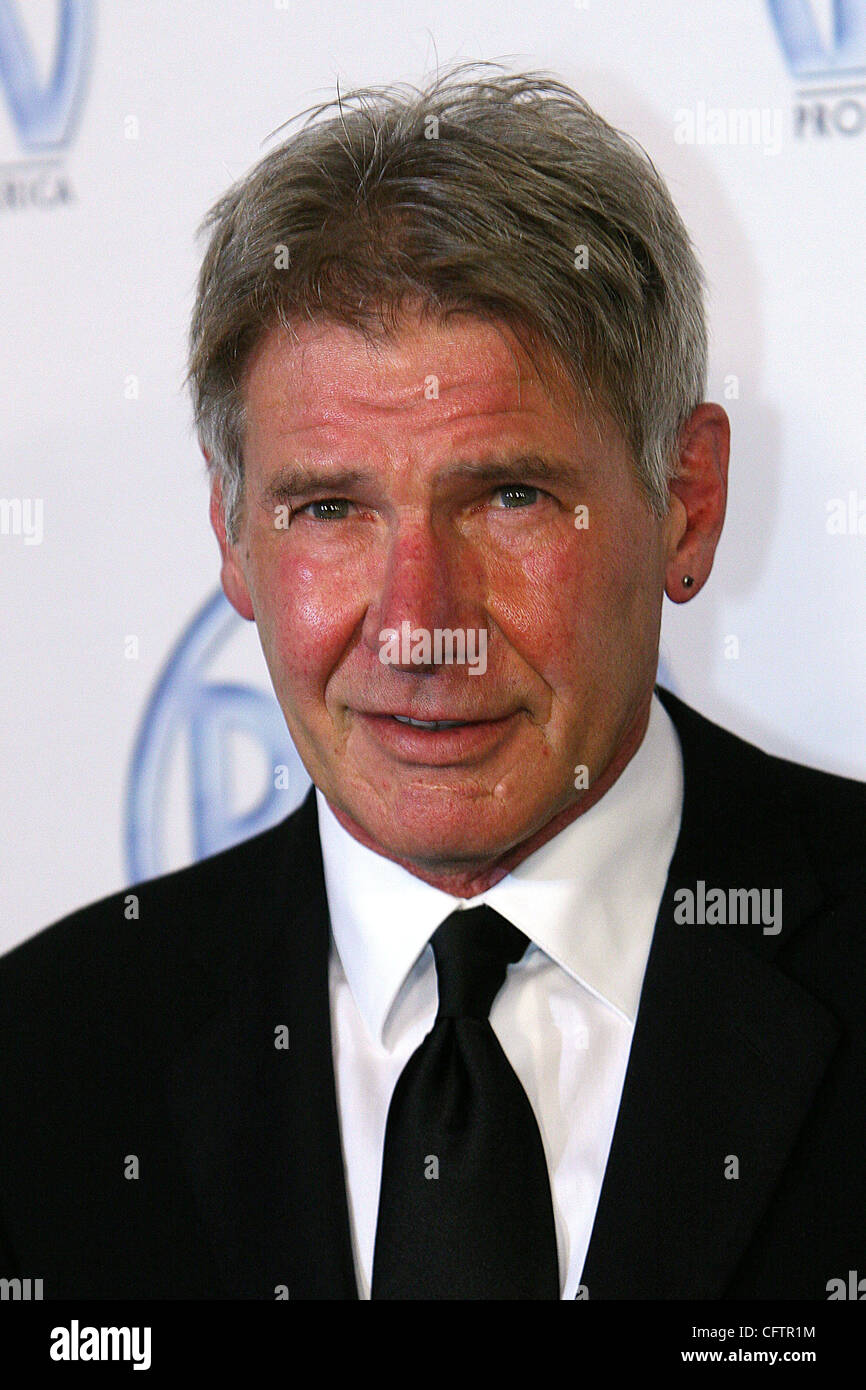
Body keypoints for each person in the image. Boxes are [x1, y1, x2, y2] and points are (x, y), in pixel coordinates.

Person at [1, 63, 863, 1301]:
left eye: (507, 495)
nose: (419, 625)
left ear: (685, 503)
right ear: (231, 534)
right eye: (329, 508)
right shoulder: (43, 1066)